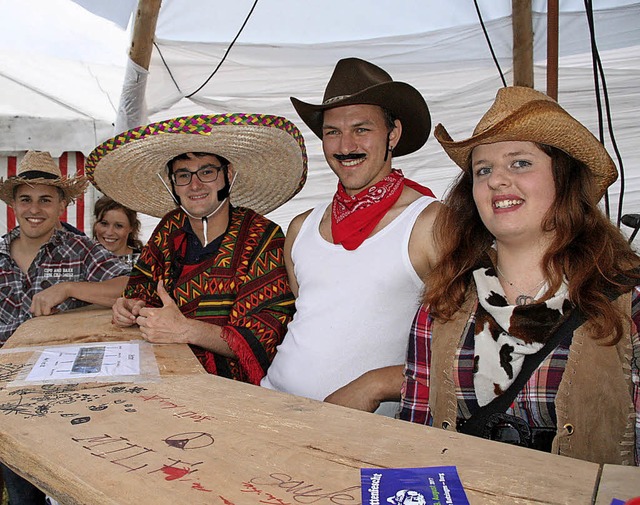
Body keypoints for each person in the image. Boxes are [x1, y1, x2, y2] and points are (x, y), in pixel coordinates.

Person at [399, 86, 640, 465]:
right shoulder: (445, 300)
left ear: (564, 179)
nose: (496, 180)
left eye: (520, 163)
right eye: (483, 170)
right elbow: (414, 435)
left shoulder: (627, 298)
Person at [261, 57, 441, 416]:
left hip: (361, 432)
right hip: (272, 404)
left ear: (393, 135)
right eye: (332, 132)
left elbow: (470, 353)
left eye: (362, 129)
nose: (346, 145)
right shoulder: (301, 227)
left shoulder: (429, 224)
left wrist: (377, 385)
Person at [86, 113, 307, 385]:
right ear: (172, 185)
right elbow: (140, 291)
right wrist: (129, 307)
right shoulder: (169, 229)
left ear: (228, 175)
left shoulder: (262, 236)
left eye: (207, 171)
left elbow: (265, 336)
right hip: (165, 377)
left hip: (236, 392)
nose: (195, 184)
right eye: (183, 175)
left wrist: (186, 330)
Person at [0, 150, 131, 504]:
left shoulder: (80, 249)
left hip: (70, 399)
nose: (34, 209)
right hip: (7, 403)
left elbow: (130, 286)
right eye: (25, 199)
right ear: (13, 204)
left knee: (71, 491)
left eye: (46, 199)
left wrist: (70, 288)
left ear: (62, 205)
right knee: (21, 495)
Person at [93, 195, 143, 268]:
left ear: (131, 228)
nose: (109, 232)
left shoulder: (145, 263)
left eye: (119, 226)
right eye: (104, 223)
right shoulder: (82, 259)